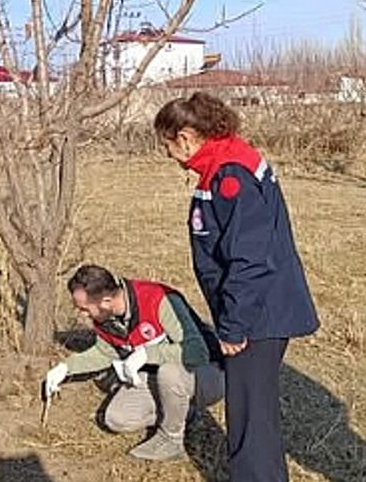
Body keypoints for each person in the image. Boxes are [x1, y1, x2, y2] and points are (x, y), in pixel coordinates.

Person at [153, 92, 320, 481]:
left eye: (168, 144)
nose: (168, 154)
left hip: (258, 314)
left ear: (188, 136)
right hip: (258, 308)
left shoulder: (231, 175)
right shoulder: (226, 161)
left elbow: (249, 260)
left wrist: (233, 326)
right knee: (256, 412)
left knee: (249, 420)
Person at [43, 264, 224, 462]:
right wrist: (65, 368)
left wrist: (147, 354)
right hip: (157, 378)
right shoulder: (107, 317)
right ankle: (183, 413)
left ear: (106, 301)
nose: (82, 315)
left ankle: (171, 441)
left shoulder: (158, 300)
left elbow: (198, 352)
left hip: (208, 374)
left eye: (85, 309)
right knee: (116, 418)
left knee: (169, 373)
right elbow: (104, 352)